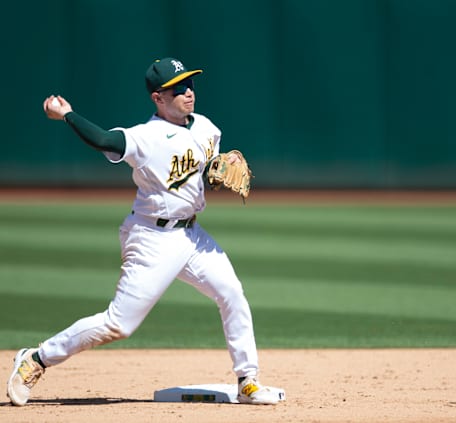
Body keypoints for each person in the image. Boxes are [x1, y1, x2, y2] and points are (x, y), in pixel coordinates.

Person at [6, 57, 284, 406]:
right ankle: (37, 358)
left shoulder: (207, 128)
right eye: (177, 88)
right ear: (158, 98)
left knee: (232, 292)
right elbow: (105, 140)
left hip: (192, 237)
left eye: (190, 84)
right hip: (152, 238)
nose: (187, 92)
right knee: (118, 325)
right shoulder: (145, 137)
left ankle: (247, 379)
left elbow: (200, 169)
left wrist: (216, 166)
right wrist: (67, 115)